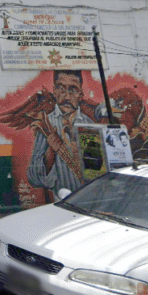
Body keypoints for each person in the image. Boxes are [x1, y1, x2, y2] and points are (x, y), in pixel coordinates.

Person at [27, 70, 94, 199]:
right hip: (59, 200)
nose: (67, 97)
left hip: (88, 198)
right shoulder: (46, 124)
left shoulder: (87, 124)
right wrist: (51, 151)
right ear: (54, 91)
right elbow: (34, 177)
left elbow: (96, 168)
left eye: (73, 90)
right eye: (61, 88)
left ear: (81, 94)